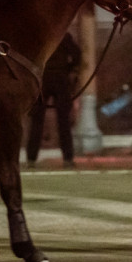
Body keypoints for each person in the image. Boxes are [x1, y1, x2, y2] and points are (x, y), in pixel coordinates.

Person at [26, 33, 82, 169]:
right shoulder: (62, 35)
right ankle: (68, 158)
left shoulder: (41, 35)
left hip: (42, 78)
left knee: (37, 121)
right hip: (60, 78)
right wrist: (69, 68)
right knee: (64, 122)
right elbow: (77, 54)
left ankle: (31, 158)